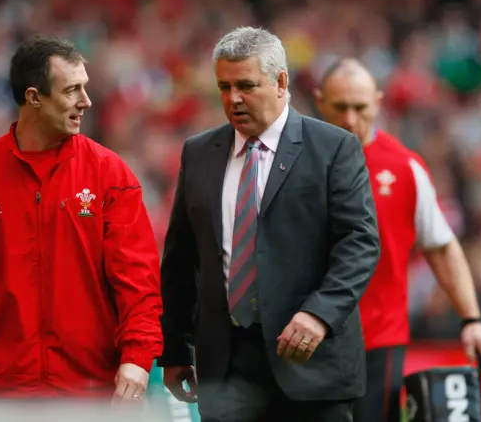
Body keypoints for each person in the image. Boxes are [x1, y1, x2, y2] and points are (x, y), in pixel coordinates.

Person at [158, 27, 381, 422]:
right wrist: (175, 349)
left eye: (246, 85)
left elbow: (359, 243)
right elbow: (181, 259)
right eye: (224, 87)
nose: (233, 99)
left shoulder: (333, 148)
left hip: (312, 361)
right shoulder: (199, 153)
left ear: (281, 82)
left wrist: (320, 313)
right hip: (227, 367)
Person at [0, 36, 163, 402]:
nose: (86, 101)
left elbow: (138, 281)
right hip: (3, 389)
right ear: (34, 97)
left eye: (85, 87)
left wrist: (137, 358)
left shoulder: (110, 174)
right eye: (72, 90)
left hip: (92, 389)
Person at [313, 58, 481, 422]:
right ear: (320, 101)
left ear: (378, 103)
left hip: (379, 338)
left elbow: (441, 245)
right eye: (339, 107)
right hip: (307, 337)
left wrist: (471, 318)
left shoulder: (404, 167)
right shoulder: (295, 161)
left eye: (360, 108)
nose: (350, 119)